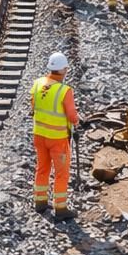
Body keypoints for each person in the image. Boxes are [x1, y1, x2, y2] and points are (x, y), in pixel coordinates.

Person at [31, 51, 79, 220]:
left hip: (39, 135)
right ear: (64, 70)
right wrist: (77, 121)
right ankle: (60, 208)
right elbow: (72, 115)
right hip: (57, 139)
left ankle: (40, 202)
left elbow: (33, 105)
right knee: (61, 173)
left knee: (42, 168)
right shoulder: (64, 90)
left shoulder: (37, 84)